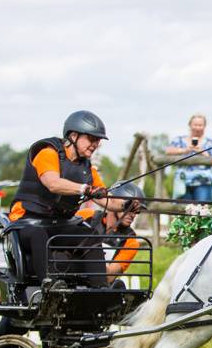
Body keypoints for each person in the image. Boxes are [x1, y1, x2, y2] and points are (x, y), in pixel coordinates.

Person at [8, 110, 125, 287]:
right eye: (91, 139)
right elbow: (53, 183)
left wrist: (126, 205)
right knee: (39, 234)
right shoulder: (48, 153)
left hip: (59, 224)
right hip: (27, 222)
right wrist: (84, 189)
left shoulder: (87, 169)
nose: (96, 144)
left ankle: (101, 290)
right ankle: (51, 286)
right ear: (73, 136)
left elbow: (107, 200)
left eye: (98, 140)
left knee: (90, 236)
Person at [77, 182, 147, 285]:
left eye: (137, 211)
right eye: (129, 208)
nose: (133, 215)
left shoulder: (130, 242)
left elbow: (108, 277)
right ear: (114, 201)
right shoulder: (86, 215)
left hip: (95, 286)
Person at [166, 113, 212, 202]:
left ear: (204, 126)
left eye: (200, 125)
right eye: (195, 125)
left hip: (203, 183)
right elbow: (168, 151)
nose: (197, 128)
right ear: (190, 125)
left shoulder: (210, 142)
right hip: (183, 182)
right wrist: (185, 150)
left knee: (201, 208)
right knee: (184, 209)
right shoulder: (179, 139)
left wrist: (203, 152)